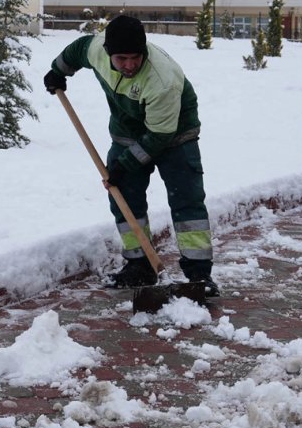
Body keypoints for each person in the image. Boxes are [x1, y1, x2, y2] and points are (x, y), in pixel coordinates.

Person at [43, 15, 217, 295]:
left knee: (186, 200)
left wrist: (124, 165)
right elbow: (78, 49)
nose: (129, 65)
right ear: (108, 53)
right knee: (124, 196)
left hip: (175, 135)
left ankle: (199, 275)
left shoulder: (162, 80)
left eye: (135, 57)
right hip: (127, 131)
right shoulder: (96, 50)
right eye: (121, 58)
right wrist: (58, 71)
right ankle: (140, 265)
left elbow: (160, 136)